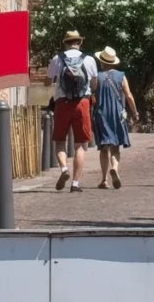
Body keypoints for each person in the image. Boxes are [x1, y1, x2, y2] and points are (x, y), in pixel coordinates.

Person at [47, 28, 98, 190]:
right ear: (80, 43)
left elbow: (48, 81)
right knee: (80, 145)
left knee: (60, 141)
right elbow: (94, 84)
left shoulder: (57, 59)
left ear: (65, 43)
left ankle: (63, 168)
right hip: (82, 103)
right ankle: (75, 183)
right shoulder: (89, 60)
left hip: (62, 103)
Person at [91, 46, 138, 188]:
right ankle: (115, 168)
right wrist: (134, 112)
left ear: (101, 62)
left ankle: (104, 180)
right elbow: (128, 95)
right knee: (115, 147)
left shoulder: (96, 77)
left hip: (101, 113)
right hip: (117, 113)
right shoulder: (121, 76)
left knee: (104, 147)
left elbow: (90, 94)